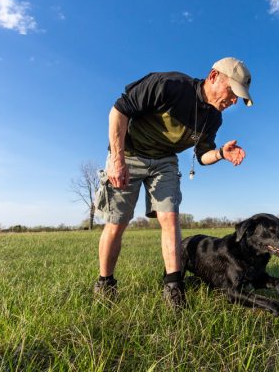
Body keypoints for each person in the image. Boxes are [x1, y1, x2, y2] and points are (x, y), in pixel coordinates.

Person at [93, 57, 253, 307]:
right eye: (232, 92)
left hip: (165, 162)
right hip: (130, 153)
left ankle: (174, 287)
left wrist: (221, 153)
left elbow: (202, 156)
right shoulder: (169, 84)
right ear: (213, 77)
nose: (233, 101)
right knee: (117, 222)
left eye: (238, 98)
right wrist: (117, 158)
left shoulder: (213, 118)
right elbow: (119, 111)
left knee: (170, 218)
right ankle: (105, 283)